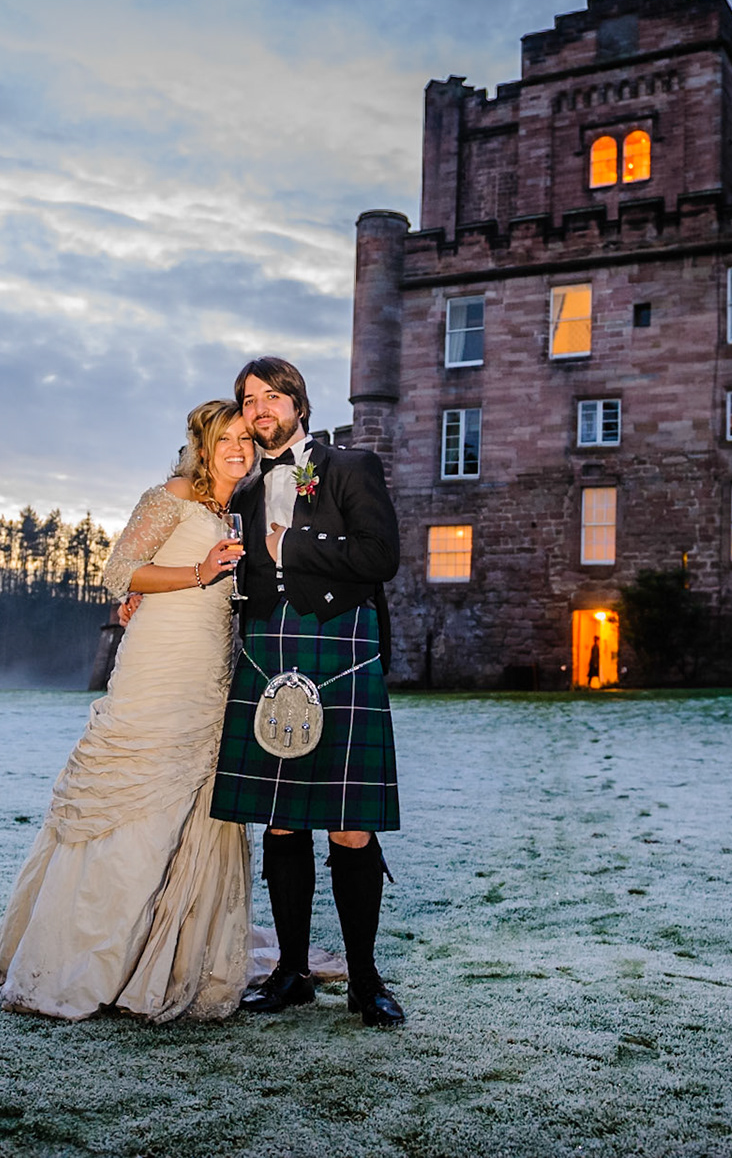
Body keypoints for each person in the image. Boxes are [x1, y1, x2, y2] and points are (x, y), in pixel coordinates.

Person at [0, 401, 255, 1022]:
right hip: (159, 663)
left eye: (246, 437)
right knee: (131, 797)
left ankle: (162, 961)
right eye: (227, 438)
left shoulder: (237, 508)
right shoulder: (172, 494)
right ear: (203, 444)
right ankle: (78, 962)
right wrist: (196, 570)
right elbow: (118, 573)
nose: (238, 447)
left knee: (192, 806)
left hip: (210, 668)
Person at [210, 357, 407, 1028]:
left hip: (338, 644)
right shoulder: (240, 487)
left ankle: (364, 979)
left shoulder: (350, 467)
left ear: (298, 401)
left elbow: (380, 557)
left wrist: (294, 543)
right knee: (281, 816)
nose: (259, 407)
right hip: (267, 647)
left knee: (351, 824)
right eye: (248, 399)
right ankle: (291, 971)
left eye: (271, 395)